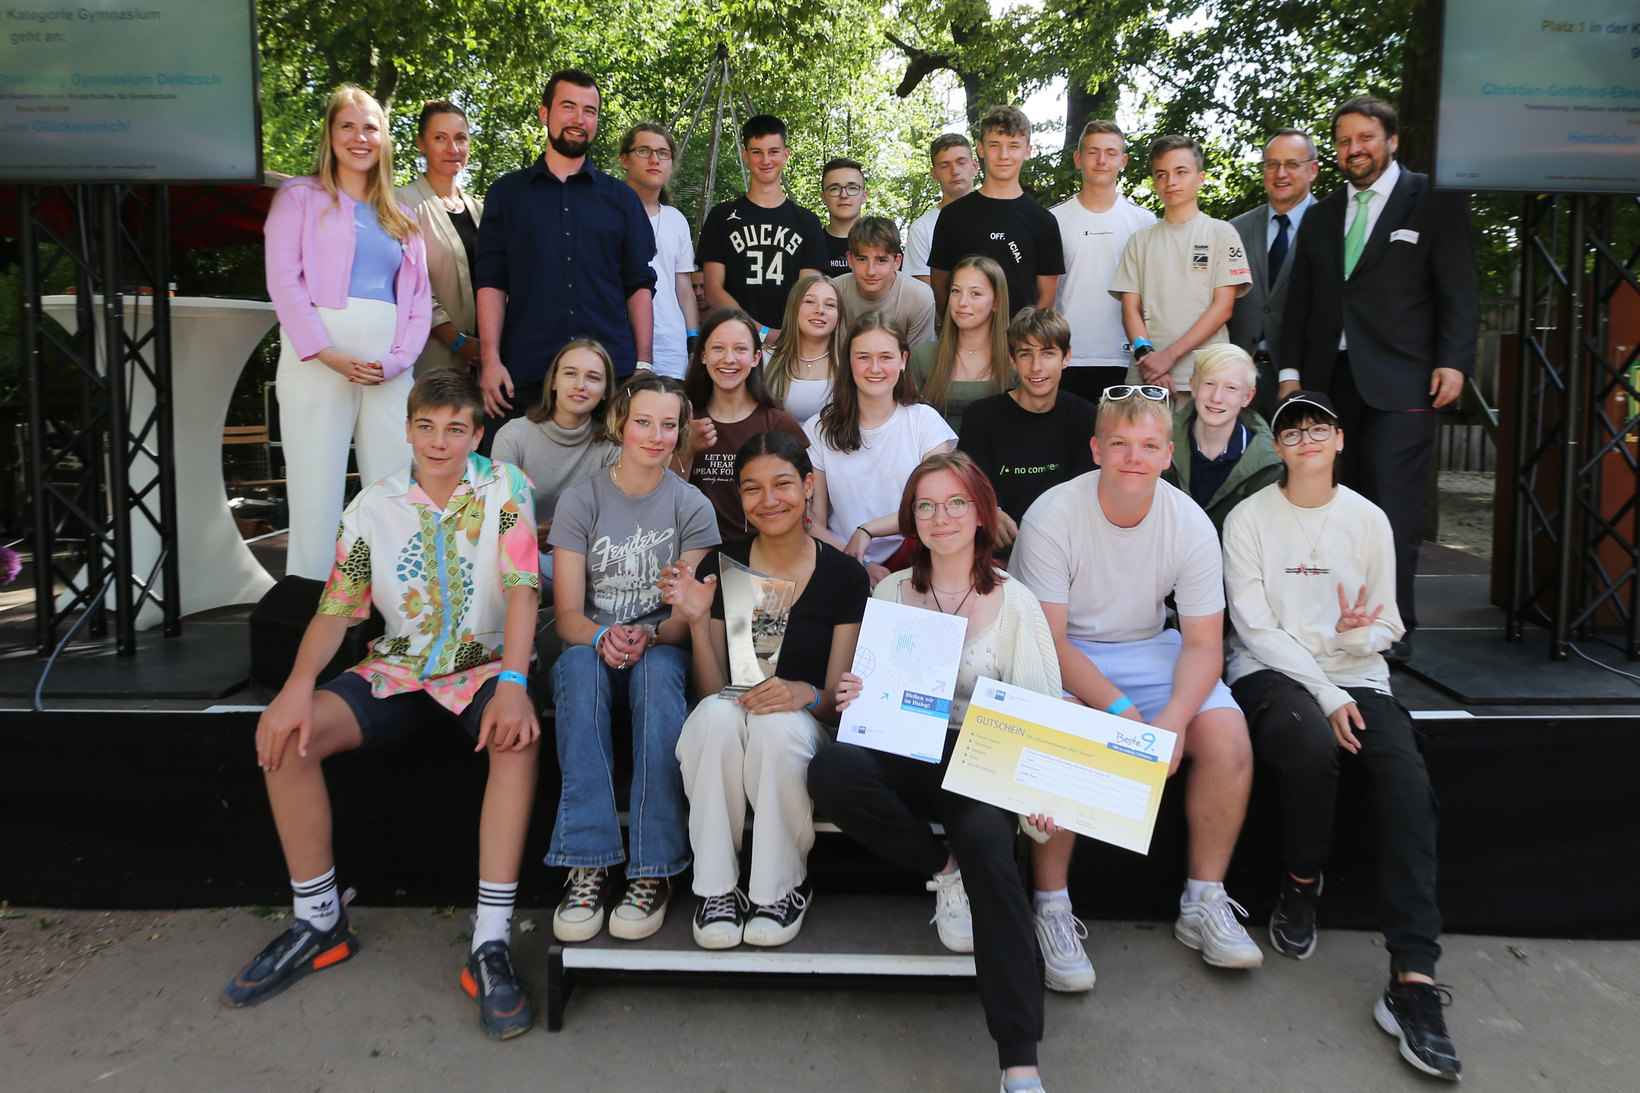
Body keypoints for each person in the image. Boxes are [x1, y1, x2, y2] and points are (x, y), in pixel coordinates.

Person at [223, 371, 542, 1041]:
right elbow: (338, 610)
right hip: (399, 666)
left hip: (482, 666)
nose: (439, 440)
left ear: (477, 434)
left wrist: (513, 680)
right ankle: (319, 921)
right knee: (288, 737)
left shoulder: (506, 489)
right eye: (426, 426)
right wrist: (293, 690)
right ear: (407, 429)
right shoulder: (372, 505)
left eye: (456, 427)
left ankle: (489, 941)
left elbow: (521, 588)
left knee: (518, 740)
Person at [1223, 390, 1459, 1081]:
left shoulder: (1369, 519)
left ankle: (1413, 979)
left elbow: (1390, 624)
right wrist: (1324, 691)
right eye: (1291, 430)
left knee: (1408, 787)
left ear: (1339, 440)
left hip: (1359, 675)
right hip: (1274, 673)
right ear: (1278, 445)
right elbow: (1256, 628)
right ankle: (1300, 882)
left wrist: (1360, 633)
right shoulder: (1249, 519)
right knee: (1309, 741)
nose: (1305, 440)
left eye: (1317, 428)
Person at [809, 450, 1062, 1093]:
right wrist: (855, 696)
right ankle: (940, 870)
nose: (941, 516)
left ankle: (1020, 1061)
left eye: (955, 503)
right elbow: (871, 694)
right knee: (834, 768)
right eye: (926, 505)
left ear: (981, 512)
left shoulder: (1016, 603)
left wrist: (1037, 793)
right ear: (911, 518)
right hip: (905, 750)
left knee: (988, 847)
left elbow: (1040, 714)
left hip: (978, 760)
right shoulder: (893, 591)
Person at [1010, 384, 1262, 975]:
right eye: (1120, 443)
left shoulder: (1191, 523)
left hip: (1149, 647)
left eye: (1149, 445)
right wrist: (1123, 714)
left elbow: (1203, 642)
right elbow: (1050, 640)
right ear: (1096, 449)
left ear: (1168, 453)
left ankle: (1203, 900)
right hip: (1064, 651)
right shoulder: (1051, 515)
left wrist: (1171, 722)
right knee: (1065, 732)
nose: (1133, 458)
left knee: (1228, 740)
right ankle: (1050, 906)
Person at [1278, 96, 1478, 658]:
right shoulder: (1319, 216)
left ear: (1390, 140)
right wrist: (1292, 374)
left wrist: (1454, 359)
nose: (1353, 149)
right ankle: (1339, 621)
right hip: (1328, 386)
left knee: (1392, 508)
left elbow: (1459, 289)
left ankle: (1392, 627)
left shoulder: (1431, 200)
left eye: (1364, 137)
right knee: (1335, 505)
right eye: (1343, 141)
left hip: (1404, 382)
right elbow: (1301, 305)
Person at [662, 432, 868, 949]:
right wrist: (693, 621)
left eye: (782, 484)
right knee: (715, 716)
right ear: (740, 498)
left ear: (807, 486)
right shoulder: (723, 564)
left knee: (775, 725)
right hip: (736, 712)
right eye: (752, 489)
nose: (769, 500)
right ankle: (716, 890)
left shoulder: (843, 575)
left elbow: (834, 704)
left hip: (803, 726)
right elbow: (715, 690)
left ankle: (779, 888)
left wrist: (804, 692)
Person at [546, 372, 719, 943]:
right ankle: (589, 861)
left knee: (661, 676)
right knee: (573, 666)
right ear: (621, 422)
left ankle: (653, 870)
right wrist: (600, 637)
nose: (655, 435)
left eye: (668, 424)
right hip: (592, 645)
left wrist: (652, 634)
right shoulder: (583, 499)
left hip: (659, 646)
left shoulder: (691, 506)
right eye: (643, 421)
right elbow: (568, 613)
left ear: (681, 431)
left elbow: (683, 611)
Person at [265, 85, 432, 581]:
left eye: (370, 128)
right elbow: (283, 281)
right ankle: (311, 605)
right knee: (316, 490)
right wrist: (324, 351)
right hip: (317, 361)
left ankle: (399, 610)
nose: (360, 138)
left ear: (383, 139)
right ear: (330, 133)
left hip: (388, 367)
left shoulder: (403, 216)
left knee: (397, 487)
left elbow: (418, 302)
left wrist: (398, 360)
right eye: (348, 126)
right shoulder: (299, 197)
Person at [474, 69, 656, 451]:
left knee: (611, 493)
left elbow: (638, 283)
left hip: (610, 375)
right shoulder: (507, 194)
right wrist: (490, 360)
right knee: (505, 491)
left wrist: (642, 364)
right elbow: (491, 278)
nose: (579, 119)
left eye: (589, 111)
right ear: (545, 114)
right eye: (568, 107)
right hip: (523, 371)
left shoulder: (622, 199)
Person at [805, 314, 957, 587]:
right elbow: (812, 523)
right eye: (863, 357)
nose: (875, 368)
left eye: (885, 357)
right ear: (847, 361)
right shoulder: (818, 429)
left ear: (903, 361)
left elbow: (935, 505)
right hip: (843, 560)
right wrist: (858, 564)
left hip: (919, 558)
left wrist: (867, 531)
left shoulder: (925, 420)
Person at [1109, 135, 1251, 400]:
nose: (1171, 181)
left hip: (1207, 380)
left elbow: (1223, 307)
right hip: (1147, 377)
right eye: (1161, 174)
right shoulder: (1140, 240)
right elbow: (1129, 308)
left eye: (1181, 172)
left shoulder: (1222, 233)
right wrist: (1149, 359)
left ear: (1200, 177)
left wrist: (1169, 357)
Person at [958, 307, 1096, 551]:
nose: (1036, 366)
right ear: (1013, 360)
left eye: (1047, 353)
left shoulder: (1086, 417)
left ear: (1066, 358)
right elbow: (967, 488)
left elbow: (1087, 497)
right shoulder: (981, 417)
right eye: (1025, 354)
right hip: (992, 551)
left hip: (1064, 549)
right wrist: (990, 512)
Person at [490, 338, 617, 599]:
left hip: (589, 562)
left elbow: (614, 522)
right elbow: (497, 521)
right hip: (522, 558)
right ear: (553, 381)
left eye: (593, 377)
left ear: (605, 390)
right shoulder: (513, 436)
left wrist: (569, 536)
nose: (580, 385)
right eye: (570, 373)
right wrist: (528, 537)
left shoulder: (611, 444)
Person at [677, 308, 810, 543]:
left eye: (740, 348)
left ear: (756, 358)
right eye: (718, 348)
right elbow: (661, 501)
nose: (729, 358)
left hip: (766, 554)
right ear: (703, 355)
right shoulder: (681, 419)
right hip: (695, 551)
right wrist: (686, 450)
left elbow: (805, 507)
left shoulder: (779, 424)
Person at [1049, 120, 1156, 403]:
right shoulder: (1053, 220)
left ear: (1123, 161)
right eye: (1093, 151)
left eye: (1110, 153)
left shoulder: (1144, 221)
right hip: (1067, 356)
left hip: (1127, 357)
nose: (1101, 160)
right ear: (1078, 158)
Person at [697, 114, 827, 342]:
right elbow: (713, 289)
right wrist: (760, 332)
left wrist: (787, 336)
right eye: (757, 152)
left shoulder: (807, 221)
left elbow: (811, 291)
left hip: (791, 341)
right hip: (737, 341)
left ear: (785, 154)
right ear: (745, 156)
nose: (766, 160)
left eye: (773, 151)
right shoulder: (722, 216)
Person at [928, 105, 1064, 322]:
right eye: (995, 145)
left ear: (1027, 151)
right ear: (981, 149)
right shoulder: (952, 216)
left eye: (1013, 146)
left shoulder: (1043, 221)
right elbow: (940, 286)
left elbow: (1046, 299)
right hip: (964, 343)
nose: (1003, 155)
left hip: (1018, 346)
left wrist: (1024, 343)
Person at [1227, 129, 1320, 421]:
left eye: (1292, 164)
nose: (1281, 173)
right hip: (1239, 380)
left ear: (1313, 169)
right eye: (1272, 164)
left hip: (1305, 377)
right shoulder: (1235, 230)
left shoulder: (1332, 227)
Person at [396, 100, 484, 379]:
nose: (453, 148)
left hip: (484, 362)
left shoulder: (480, 210)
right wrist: (457, 341)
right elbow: (408, 285)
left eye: (460, 138)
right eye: (440, 138)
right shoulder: (402, 202)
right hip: (432, 356)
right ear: (421, 144)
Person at [1160, 343, 1282, 534]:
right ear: (1193, 387)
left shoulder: (1268, 464)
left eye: (1231, 388)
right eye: (1209, 383)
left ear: (1247, 397)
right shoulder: (1159, 442)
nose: (1217, 397)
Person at [621, 122, 700, 380]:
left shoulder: (676, 219)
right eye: (644, 151)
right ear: (625, 160)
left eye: (663, 153)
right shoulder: (608, 213)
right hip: (618, 342)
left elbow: (684, 290)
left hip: (670, 349)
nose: (654, 159)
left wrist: (692, 343)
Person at [911, 255, 1013, 434]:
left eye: (976, 294)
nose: (962, 302)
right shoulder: (924, 356)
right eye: (956, 291)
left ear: (996, 302)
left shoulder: (1015, 360)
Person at [833, 216, 936, 347]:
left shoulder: (918, 296)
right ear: (849, 259)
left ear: (897, 262)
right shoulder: (833, 292)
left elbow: (917, 361)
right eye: (862, 259)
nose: (871, 271)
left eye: (881, 260)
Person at [763, 273, 847, 424]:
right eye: (810, 301)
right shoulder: (765, 359)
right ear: (794, 308)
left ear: (839, 315)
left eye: (830, 304)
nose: (820, 310)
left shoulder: (850, 363)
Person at [904, 133, 978, 285]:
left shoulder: (998, 215)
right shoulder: (922, 228)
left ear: (974, 166)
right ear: (935, 174)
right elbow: (925, 295)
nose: (955, 171)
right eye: (945, 166)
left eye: (961, 162)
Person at [819, 157, 867, 276]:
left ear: (864, 196)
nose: (843, 195)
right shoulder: (811, 245)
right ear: (823, 197)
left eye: (852, 188)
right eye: (834, 189)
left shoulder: (883, 242)